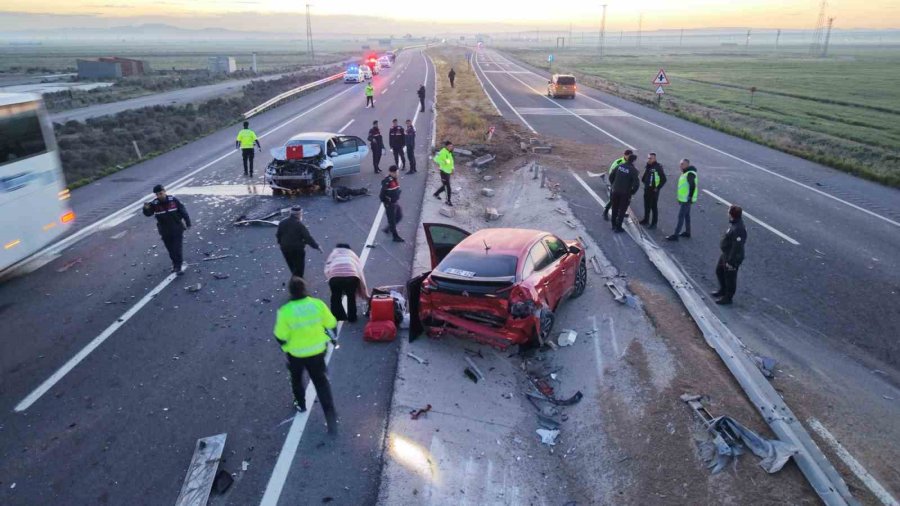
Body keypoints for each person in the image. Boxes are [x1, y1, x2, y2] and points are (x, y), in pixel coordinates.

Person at [274, 276, 338, 433]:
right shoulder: (317, 305)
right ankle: (331, 421)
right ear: (305, 289)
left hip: (296, 354)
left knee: (296, 380)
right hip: (317, 353)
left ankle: (300, 404)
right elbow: (331, 324)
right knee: (322, 384)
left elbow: (280, 336)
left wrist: (285, 347)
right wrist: (331, 339)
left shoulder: (285, 311)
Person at [142, 184, 191, 275]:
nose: (159, 196)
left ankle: (178, 266)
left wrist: (188, 222)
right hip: (164, 230)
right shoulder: (155, 204)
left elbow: (183, 211)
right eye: (157, 194)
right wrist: (145, 209)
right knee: (170, 249)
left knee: (177, 248)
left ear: (164, 191)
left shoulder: (173, 200)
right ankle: (174, 263)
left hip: (177, 228)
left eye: (161, 193)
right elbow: (148, 214)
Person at [324, 244, 369, 322]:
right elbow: (358, 269)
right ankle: (352, 318)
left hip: (335, 277)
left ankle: (338, 316)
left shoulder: (333, 254)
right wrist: (363, 288)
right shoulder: (352, 254)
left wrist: (330, 277)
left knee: (335, 297)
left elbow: (327, 267)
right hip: (351, 277)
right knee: (351, 297)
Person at [713, 205, 747, 305]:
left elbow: (737, 247)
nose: (727, 213)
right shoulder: (735, 224)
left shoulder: (739, 228)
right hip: (726, 254)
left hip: (732, 257)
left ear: (732, 214)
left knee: (730, 278)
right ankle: (723, 290)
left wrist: (730, 261)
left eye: (728, 211)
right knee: (719, 271)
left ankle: (728, 297)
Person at [276, 206, 321, 277]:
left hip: (285, 248)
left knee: (291, 264)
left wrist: (280, 243)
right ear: (298, 214)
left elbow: (278, 235)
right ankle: (299, 281)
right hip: (297, 249)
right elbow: (307, 238)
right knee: (299, 266)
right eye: (301, 214)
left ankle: (294, 276)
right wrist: (317, 247)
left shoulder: (282, 222)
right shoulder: (299, 225)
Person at [666, 159, 699, 241]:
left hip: (687, 200)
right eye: (680, 164)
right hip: (685, 199)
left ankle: (675, 235)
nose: (680, 166)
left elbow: (692, 186)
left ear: (687, 165)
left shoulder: (690, 174)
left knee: (681, 216)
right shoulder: (686, 173)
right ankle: (688, 232)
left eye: (682, 164)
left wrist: (690, 197)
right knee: (687, 216)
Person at [608, 154, 640, 232]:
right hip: (625, 193)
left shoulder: (620, 166)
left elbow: (611, 176)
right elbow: (636, 184)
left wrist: (613, 185)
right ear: (634, 161)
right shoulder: (633, 170)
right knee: (622, 210)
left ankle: (613, 225)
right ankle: (618, 227)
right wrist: (632, 192)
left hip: (615, 191)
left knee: (615, 208)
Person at [603, 149, 634, 221]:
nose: (630, 158)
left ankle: (620, 213)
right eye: (629, 156)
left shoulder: (629, 163)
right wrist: (613, 184)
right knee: (612, 200)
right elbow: (611, 173)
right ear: (625, 155)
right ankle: (605, 212)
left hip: (624, 186)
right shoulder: (619, 162)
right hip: (616, 185)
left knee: (622, 200)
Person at [638, 152, 667, 229]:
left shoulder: (658, 167)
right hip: (647, 189)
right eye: (648, 158)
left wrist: (657, 188)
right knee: (646, 205)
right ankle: (646, 219)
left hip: (654, 191)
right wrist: (644, 181)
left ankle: (654, 223)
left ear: (654, 158)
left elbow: (664, 179)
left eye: (650, 158)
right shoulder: (648, 166)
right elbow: (645, 176)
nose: (649, 159)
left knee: (653, 207)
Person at [380, 165, 405, 242]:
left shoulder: (394, 179)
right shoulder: (387, 181)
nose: (398, 174)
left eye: (397, 172)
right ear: (391, 172)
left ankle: (388, 229)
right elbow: (381, 195)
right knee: (392, 221)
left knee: (399, 216)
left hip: (395, 202)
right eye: (396, 172)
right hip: (390, 204)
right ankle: (395, 237)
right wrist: (386, 202)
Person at [432, 141, 455, 206]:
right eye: (450, 146)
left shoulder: (449, 152)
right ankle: (448, 201)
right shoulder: (442, 152)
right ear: (446, 146)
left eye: (452, 146)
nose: (451, 147)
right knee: (448, 187)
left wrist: (452, 169)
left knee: (445, 185)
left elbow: (451, 161)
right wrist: (443, 162)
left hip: (448, 172)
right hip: (443, 172)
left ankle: (436, 194)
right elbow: (435, 159)